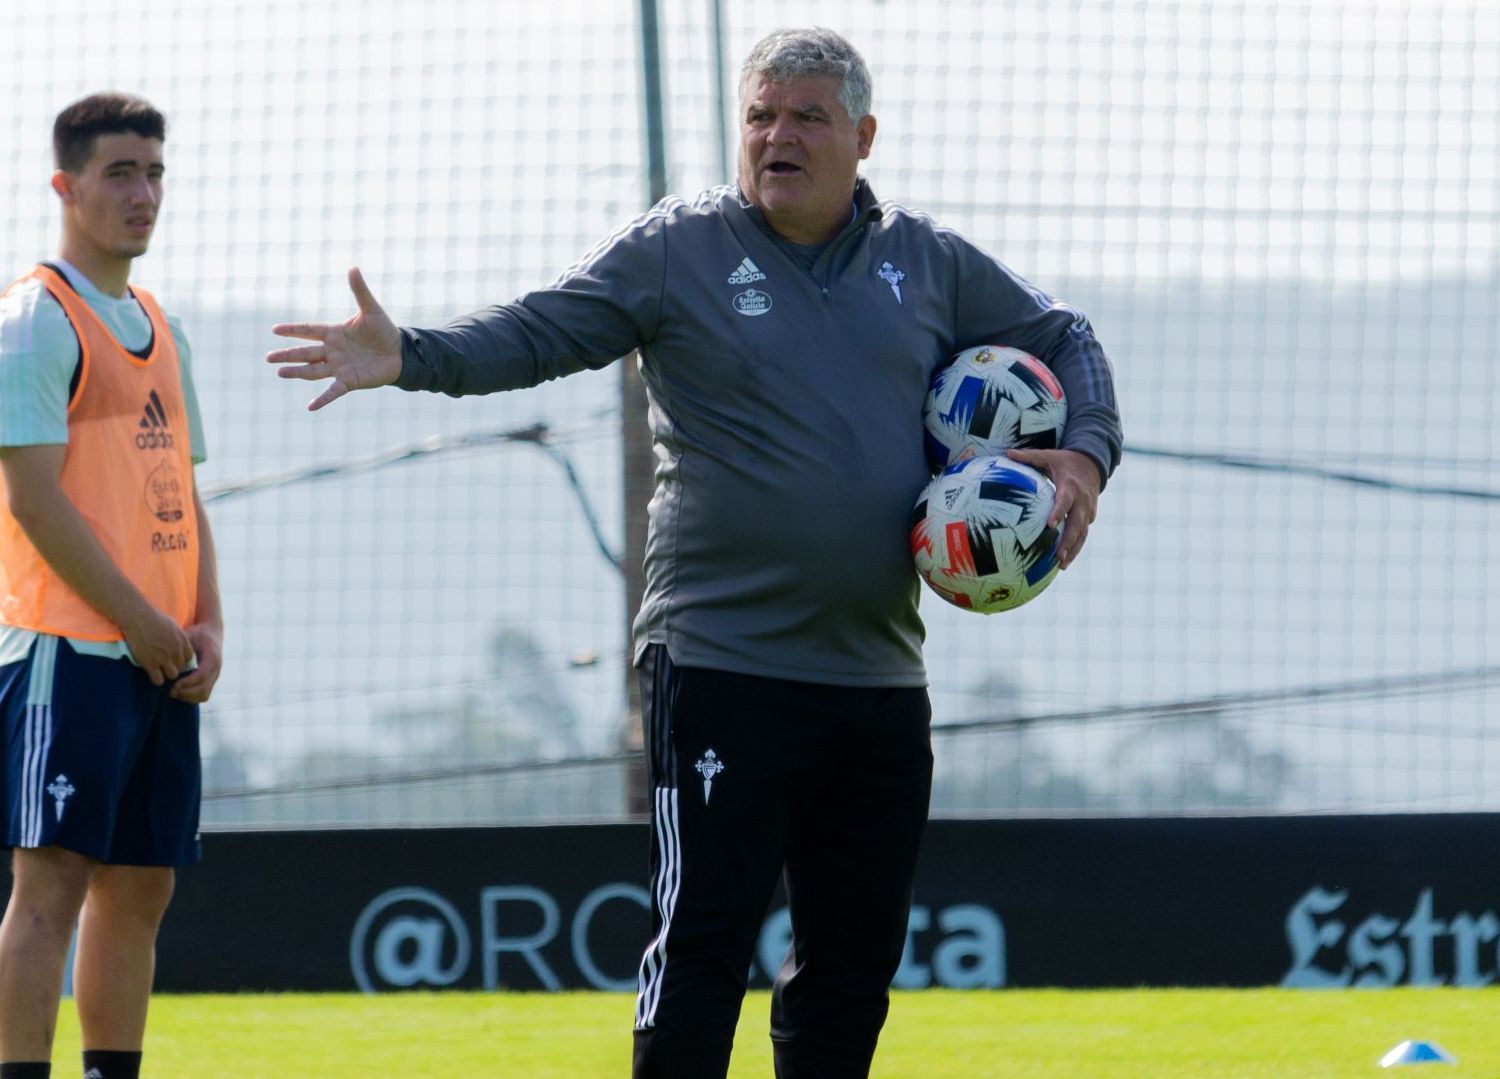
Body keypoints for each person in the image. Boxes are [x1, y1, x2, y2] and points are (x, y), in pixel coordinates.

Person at [269, 27, 1119, 1079]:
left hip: (878, 677)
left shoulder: (928, 261)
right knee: (704, 949)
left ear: (864, 135)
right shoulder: (680, 250)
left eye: (806, 116)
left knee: (851, 969)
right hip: (721, 667)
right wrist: (413, 356)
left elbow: (1067, 335)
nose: (778, 136)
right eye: (760, 115)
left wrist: (1081, 458)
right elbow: (540, 329)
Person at [0, 92, 223, 1079]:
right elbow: (35, 501)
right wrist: (143, 620)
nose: (143, 193)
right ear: (65, 186)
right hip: (64, 650)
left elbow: (184, 494)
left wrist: (205, 624)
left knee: (143, 886)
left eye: (154, 172)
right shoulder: (37, 317)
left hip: (158, 650)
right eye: (121, 172)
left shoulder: (157, 322)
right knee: (52, 885)